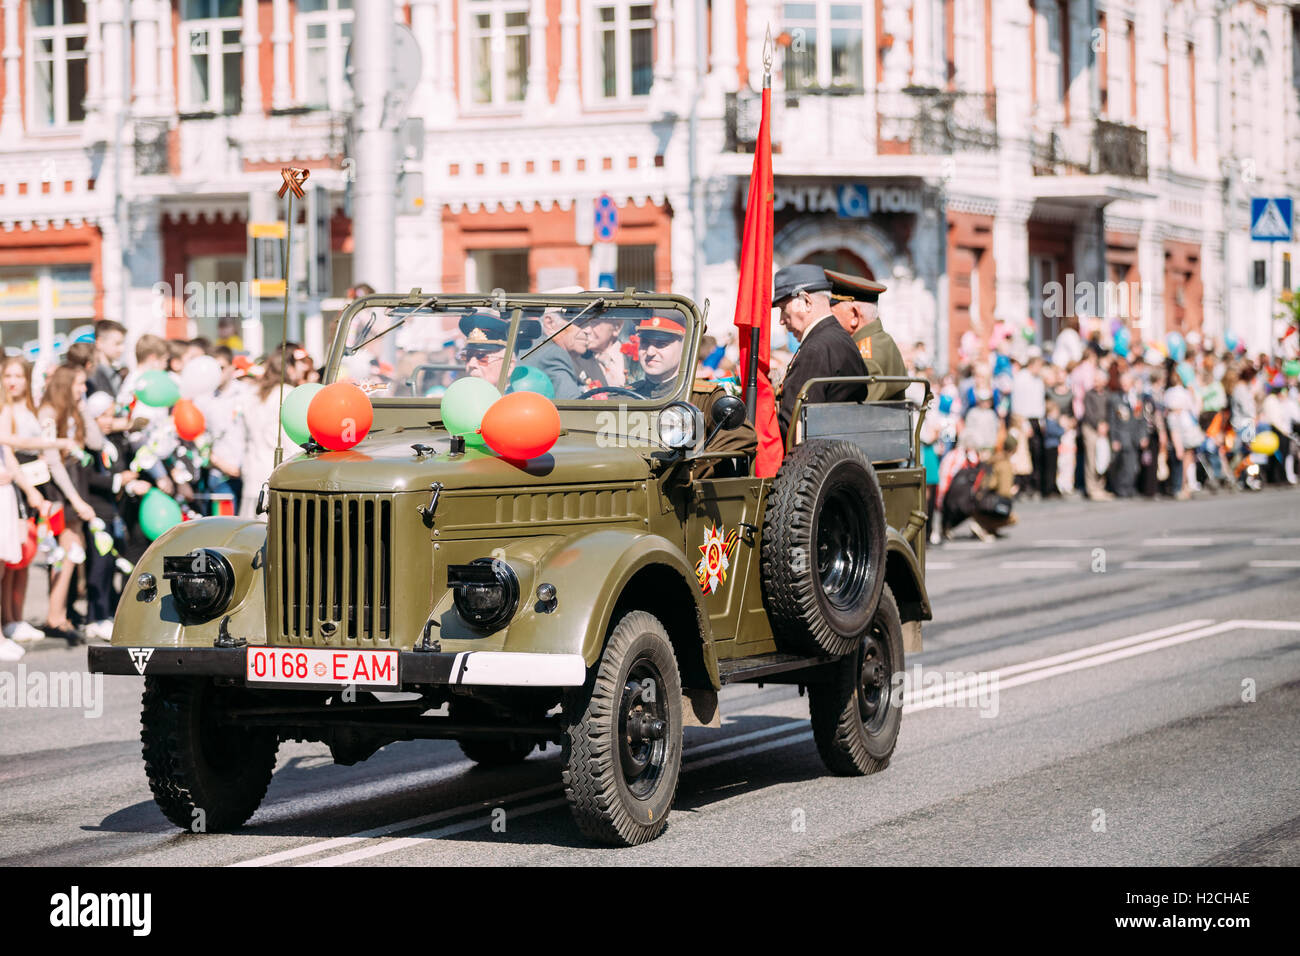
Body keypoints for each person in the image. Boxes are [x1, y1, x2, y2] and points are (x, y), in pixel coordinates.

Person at [771, 264, 869, 441]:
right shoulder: (840, 339)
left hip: (816, 461)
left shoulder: (815, 349)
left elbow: (791, 426)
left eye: (783, 309)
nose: (781, 321)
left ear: (807, 302)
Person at [37, 364, 97, 643]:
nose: (83, 389)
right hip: (60, 487)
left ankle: (59, 613)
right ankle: (55, 616)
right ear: (65, 384)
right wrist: (75, 499)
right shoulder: (48, 413)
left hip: (76, 480)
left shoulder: (74, 410)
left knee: (72, 550)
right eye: (79, 384)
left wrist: (83, 407)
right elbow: (52, 461)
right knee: (66, 550)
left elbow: (96, 442)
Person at [824, 269, 907, 401]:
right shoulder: (880, 340)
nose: (828, 319)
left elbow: (857, 414)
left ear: (854, 316)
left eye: (832, 313)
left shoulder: (865, 356)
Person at [88, 319, 128, 400]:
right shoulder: (91, 377)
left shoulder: (118, 373)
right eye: (117, 343)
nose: (122, 349)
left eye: (122, 343)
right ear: (99, 343)